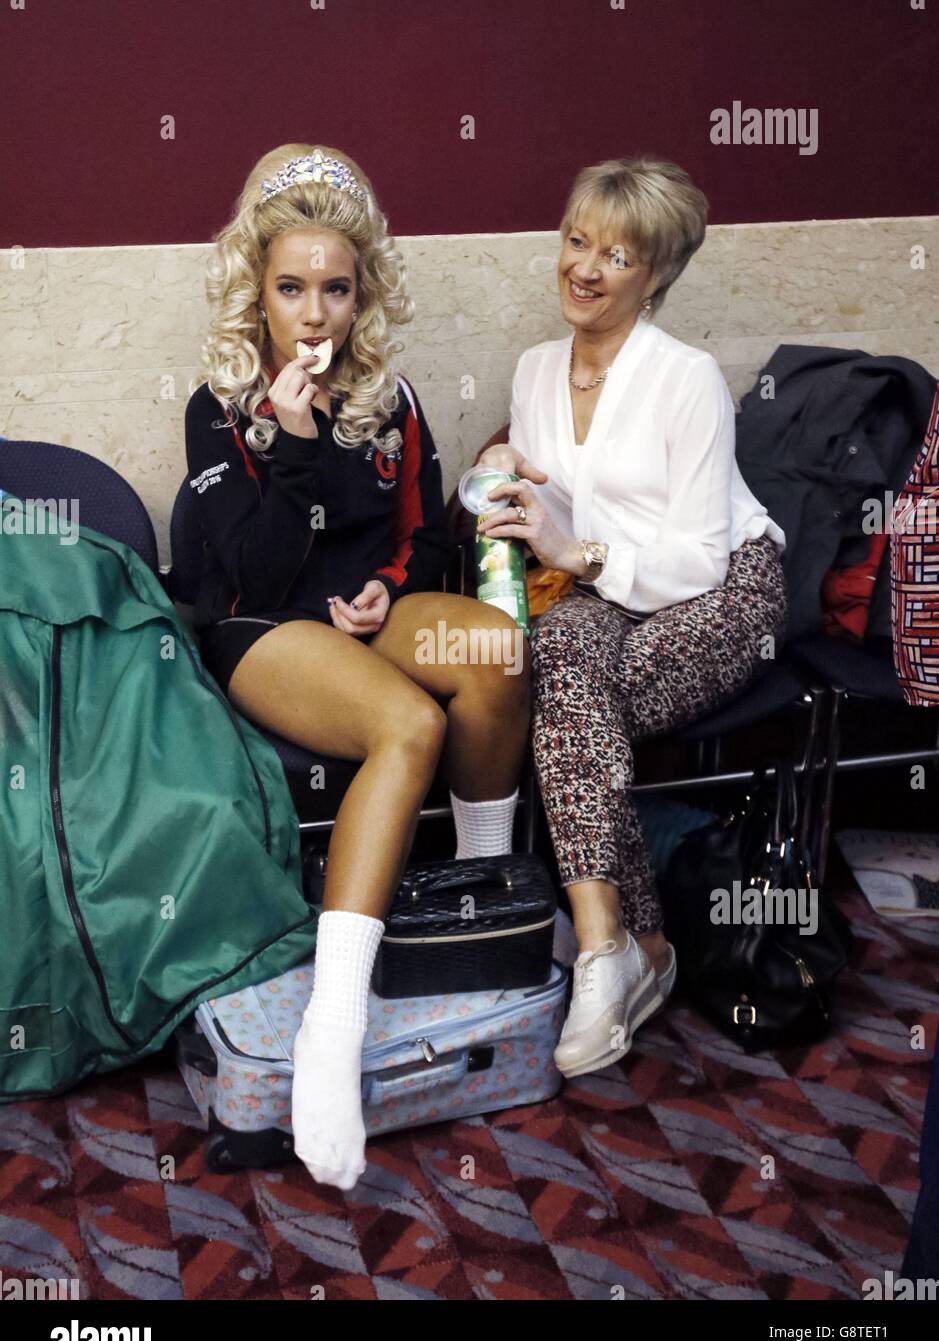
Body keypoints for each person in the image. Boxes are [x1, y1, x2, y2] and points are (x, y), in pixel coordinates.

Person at [184, 144, 530, 1190]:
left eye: (336, 287)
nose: (315, 312)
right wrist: (291, 441)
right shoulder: (220, 401)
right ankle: (330, 1035)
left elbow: (428, 541)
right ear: (258, 288)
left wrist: (391, 584)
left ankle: (483, 894)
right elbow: (245, 571)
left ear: (362, 291)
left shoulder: (394, 398)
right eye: (291, 287)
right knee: (410, 727)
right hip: (264, 630)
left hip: (362, 621)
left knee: (495, 648)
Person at [476, 156, 788, 1079]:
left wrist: (579, 551)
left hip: (724, 587)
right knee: (567, 656)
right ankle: (616, 946)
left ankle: (622, 953)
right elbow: (546, 497)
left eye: (616, 255)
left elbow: (694, 558)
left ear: (655, 275)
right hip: (599, 599)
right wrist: (503, 480)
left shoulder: (683, 377)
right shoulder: (534, 370)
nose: (585, 267)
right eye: (577, 241)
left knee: (570, 686)